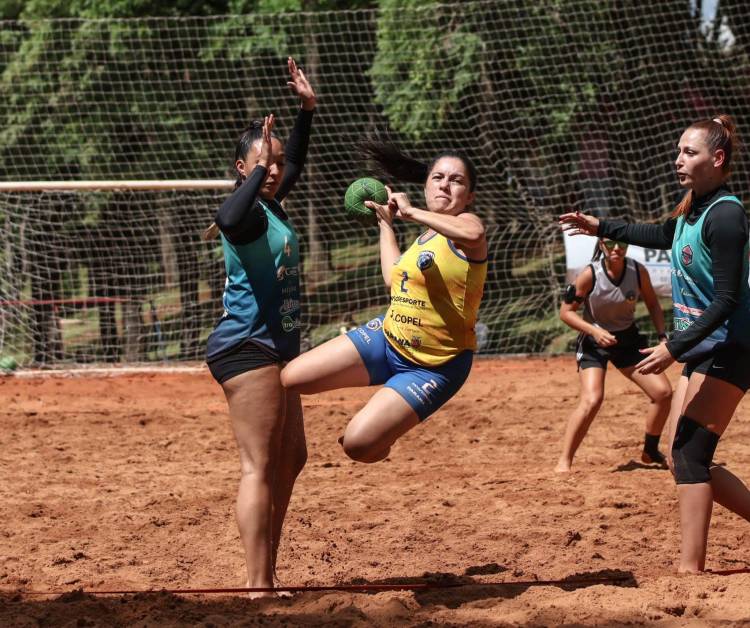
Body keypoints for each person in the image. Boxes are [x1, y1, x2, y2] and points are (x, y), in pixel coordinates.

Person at [560, 114, 750, 572]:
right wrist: (600, 225)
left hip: (729, 348)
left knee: (689, 454)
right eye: (678, 151)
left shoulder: (726, 213)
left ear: (717, 158)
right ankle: (692, 564)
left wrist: (673, 346)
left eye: (689, 152)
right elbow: (659, 234)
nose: (677, 159)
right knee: (681, 457)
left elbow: (726, 299)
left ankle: (690, 569)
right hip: (704, 348)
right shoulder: (694, 205)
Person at [280, 142, 487, 463]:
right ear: (426, 185)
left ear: (469, 196)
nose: (445, 184)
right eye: (437, 177)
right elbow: (393, 278)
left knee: (357, 446)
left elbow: (473, 236)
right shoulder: (424, 237)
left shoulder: (468, 225)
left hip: (434, 367)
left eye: (456, 180)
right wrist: (386, 225)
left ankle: (385, 425)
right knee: (292, 378)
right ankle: (383, 409)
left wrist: (413, 212)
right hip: (387, 338)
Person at [203, 57, 315, 595]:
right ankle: (257, 585)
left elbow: (291, 161)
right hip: (247, 348)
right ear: (241, 168)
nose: (273, 170)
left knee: (292, 459)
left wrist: (305, 110)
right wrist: (253, 171)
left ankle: (266, 571)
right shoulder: (245, 214)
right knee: (260, 466)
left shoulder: (270, 205)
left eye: (273, 164)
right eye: (260, 163)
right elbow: (226, 216)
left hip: (277, 350)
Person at [555, 237, 672, 473]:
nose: (616, 248)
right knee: (592, 400)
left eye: (622, 244)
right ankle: (564, 461)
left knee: (663, 393)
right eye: (610, 244)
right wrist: (594, 331)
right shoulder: (590, 274)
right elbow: (566, 313)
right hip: (594, 342)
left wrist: (662, 336)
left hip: (627, 341)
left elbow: (652, 304)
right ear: (601, 246)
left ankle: (650, 450)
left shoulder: (637, 271)